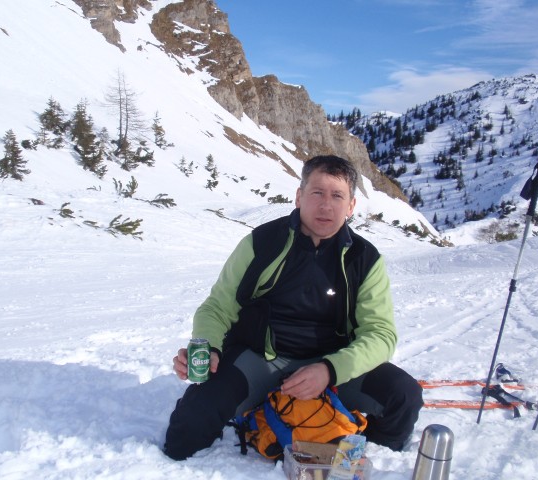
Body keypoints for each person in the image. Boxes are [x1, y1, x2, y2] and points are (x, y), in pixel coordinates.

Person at [163, 155, 423, 460]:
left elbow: (381, 334)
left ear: (351, 206)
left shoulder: (364, 259)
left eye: (337, 196)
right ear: (299, 197)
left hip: (331, 363)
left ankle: (361, 449)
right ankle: (262, 408)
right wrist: (209, 348)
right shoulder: (261, 243)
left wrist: (330, 370)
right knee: (187, 432)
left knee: (404, 396)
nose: (326, 205)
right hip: (259, 360)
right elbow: (217, 307)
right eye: (317, 193)